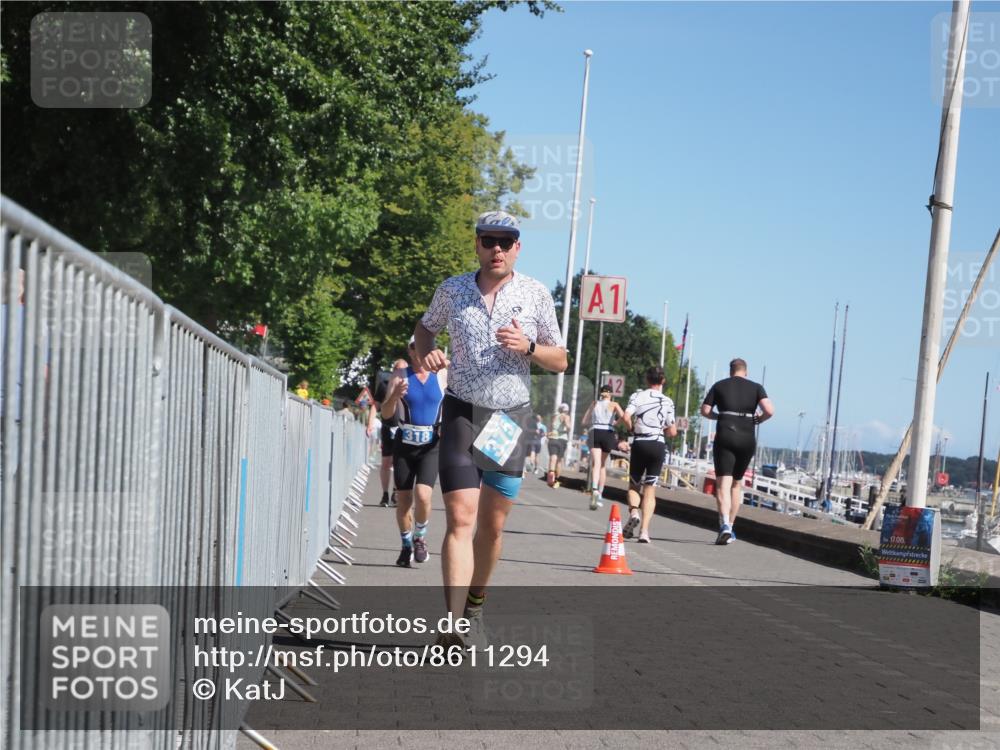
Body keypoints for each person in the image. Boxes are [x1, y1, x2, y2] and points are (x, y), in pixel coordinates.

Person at [414, 209, 566, 648]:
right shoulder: (453, 289)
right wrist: (428, 353)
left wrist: (529, 346)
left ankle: (475, 606)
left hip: (506, 420)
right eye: (488, 241)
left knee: (492, 527)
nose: (496, 249)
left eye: (505, 241)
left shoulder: (536, 294)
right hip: (462, 412)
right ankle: (453, 625)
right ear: (477, 244)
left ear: (518, 247)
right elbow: (424, 330)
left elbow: (560, 359)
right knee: (461, 519)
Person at [381, 339, 446, 568]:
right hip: (405, 444)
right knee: (404, 501)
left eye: (425, 347)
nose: (420, 352)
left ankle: (420, 537)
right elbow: (385, 413)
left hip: (431, 445)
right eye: (415, 348)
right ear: (409, 352)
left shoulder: (442, 374)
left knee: (423, 495)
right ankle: (406, 545)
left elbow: (455, 403)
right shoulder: (400, 375)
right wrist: (394, 396)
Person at [700, 358, 774, 545]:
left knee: (722, 484)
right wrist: (758, 420)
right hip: (747, 438)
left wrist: (718, 416)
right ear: (745, 372)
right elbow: (769, 410)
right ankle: (731, 528)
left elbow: (705, 410)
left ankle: (724, 524)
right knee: (736, 484)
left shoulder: (719, 385)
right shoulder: (756, 387)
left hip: (726, 435)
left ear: (730, 371)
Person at [621, 366, 678, 543]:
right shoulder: (668, 401)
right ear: (663, 381)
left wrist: (631, 429)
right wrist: (661, 431)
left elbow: (626, 417)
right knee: (650, 489)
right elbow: (673, 431)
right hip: (658, 444)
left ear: (647, 380)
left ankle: (634, 512)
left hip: (640, 443)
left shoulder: (637, 396)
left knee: (634, 485)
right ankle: (644, 532)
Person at [369, 360, 407, 507]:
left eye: (403, 370)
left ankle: (395, 493)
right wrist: (370, 424)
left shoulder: (410, 385)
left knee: (399, 462)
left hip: (403, 429)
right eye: (398, 369)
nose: (400, 373)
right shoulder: (384, 385)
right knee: (386, 462)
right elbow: (375, 406)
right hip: (388, 427)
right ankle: (385, 494)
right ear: (393, 370)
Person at [580, 384, 625, 510]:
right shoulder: (614, 404)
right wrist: (615, 423)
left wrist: (593, 421)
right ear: (611, 394)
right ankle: (600, 493)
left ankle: (594, 489)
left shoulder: (594, 403)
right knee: (603, 465)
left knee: (596, 463)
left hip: (595, 431)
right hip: (608, 432)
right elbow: (624, 416)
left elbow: (584, 421)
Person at [546, 403, 570, 487]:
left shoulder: (554, 416)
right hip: (562, 439)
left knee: (553, 458)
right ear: (567, 410)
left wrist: (548, 434)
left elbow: (550, 427)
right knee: (559, 460)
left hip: (553, 438)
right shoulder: (566, 417)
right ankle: (556, 480)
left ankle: (550, 479)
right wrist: (567, 427)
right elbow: (568, 427)